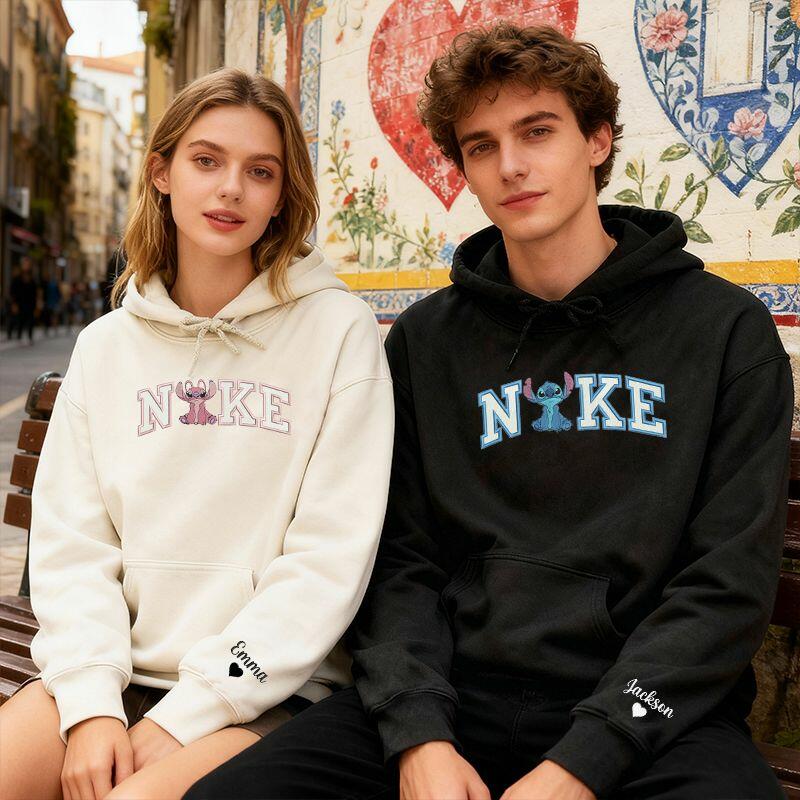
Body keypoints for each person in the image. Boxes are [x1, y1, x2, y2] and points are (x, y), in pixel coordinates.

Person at [185, 22, 794, 800]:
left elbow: (726, 585)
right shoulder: (426, 342)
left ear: (597, 140)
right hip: (454, 700)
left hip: (647, 718)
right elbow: (398, 561)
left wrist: (586, 762)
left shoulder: (724, 333)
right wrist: (419, 736)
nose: (510, 166)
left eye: (537, 132)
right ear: (465, 169)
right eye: (481, 146)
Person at [0, 66, 394, 800]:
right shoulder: (106, 347)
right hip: (114, 673)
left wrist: (190, 712)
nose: (231, 189)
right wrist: (89, 704)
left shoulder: (338, 331)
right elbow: (73, 546)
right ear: (162, 172)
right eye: (206, 160)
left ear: (283, 195)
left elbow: (328, 560)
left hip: (264, 692)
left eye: (260, 171)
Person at [6, 257, 38, 344]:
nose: (26, 266)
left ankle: (30, 337)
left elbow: (35, 291)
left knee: (31, 320)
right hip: (19, 303)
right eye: (25, 264)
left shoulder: (32, 278)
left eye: (28, 264)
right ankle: (18, 336)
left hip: (30, 303)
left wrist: (37, 303)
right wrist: (13, 303)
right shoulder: (17, 278)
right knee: (19, 319)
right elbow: (12, 291)